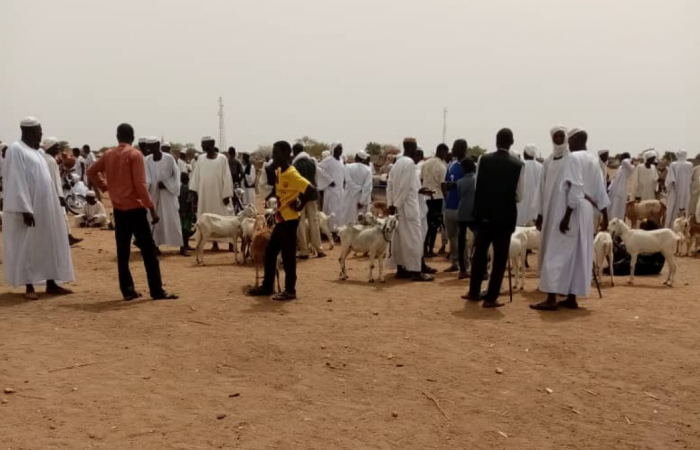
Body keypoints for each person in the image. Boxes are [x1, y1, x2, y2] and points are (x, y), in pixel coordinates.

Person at [87, 123, 177, 301]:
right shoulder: (135, 155)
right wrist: (152, 209)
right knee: (149, 252)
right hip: (135, 210)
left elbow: (91, 171)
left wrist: (105, 186)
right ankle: (156, 290)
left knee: (123, 253)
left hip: (119, 211)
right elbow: (140, 186)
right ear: (133, 137)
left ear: (117, 136)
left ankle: (127, 291)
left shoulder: (108, 154)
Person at [531, 128, 609, 311]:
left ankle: (551, 298)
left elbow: (575, 188)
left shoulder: (573, 158)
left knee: (556, 252)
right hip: (587, 212)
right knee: (576, 254)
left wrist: (566, 216)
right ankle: (572, 297)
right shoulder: (592, 159)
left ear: (572, 140)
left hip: (572, 209)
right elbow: (600, 190)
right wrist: (605, 215)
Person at [2, 117, 74, 299]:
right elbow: (15, 180)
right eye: (38, 132)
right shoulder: (16, 149)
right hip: (29, 210)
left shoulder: (38, 153)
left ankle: (51, 283)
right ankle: (29, 287)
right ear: (28, 131)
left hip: (46, 209)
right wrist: (25, 208)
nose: (40, 135)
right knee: (28, 246)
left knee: (48, 245)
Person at [247, 141, 317, 301]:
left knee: (288, 257)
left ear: (286, 154)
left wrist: (299, 205)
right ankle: (267, 287)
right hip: (281, 219)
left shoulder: (292, 174)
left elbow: (312, 192)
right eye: (273, 153)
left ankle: (290, 290)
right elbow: (277, 191)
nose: (274, 156)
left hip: (290, 221)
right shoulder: (279, 171)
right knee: (271, 252)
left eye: (276, 153)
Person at [463, 128, 523, 308]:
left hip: (485, 215)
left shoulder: (483, 159)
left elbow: (478, 186)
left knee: (480, 254)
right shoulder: (518, 165)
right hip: (505, 218)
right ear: (511, 142)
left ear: (496, 141)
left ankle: (474, 291)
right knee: (499, 257)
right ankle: (491, 297)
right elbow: (519, 195)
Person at [386, 138, 434, 282]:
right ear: (412, 148)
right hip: (408, 208)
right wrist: (397, 204)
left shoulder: (397, 163)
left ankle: (401, 269)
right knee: (414, 240)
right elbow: (404, 188)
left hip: (399, 208)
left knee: (400, 240)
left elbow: (391, 185)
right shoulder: (409, 163)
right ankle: (415, 271)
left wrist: (391, 204)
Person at [189, 136, 234, 251]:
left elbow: (227, 177)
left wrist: (226, 194)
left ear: (212, 144)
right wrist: (194, 195)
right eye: (202, 144)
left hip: (219, 195)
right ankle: (214, 244)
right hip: (205, 196)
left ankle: (230, 244)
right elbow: (195, 178)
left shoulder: (222, 159)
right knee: (207, 220)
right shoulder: (200, 159)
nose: (202, 146)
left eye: (204, 144)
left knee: (225, 218)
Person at [145, 138, 183, 251]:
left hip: (168, 194)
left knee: (173, 218)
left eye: (152, 146)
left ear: (157, 146)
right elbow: (146, 177)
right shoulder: (147, 160)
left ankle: (181, 246)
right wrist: (148, 188)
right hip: (153, 194)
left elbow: (176, 176)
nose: (150, 149)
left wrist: (166, 184)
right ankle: (155, 246)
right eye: (149, 147)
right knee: (153, 219)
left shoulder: (169, 158)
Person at [292, 143, 326, 259]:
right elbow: (316, 180)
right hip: (312, 195)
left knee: (300, 223)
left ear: (294, 152)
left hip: (300, 197)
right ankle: (319, 249)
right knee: (314, 222)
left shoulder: (295, 165)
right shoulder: (312, 162)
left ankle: (304, 251)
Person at [442, 139, 468, 272]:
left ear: (463, 149)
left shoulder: (469, 165)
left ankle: (465, 264)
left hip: (461, 207)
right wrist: (446, 195)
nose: (453, 150)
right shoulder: (451, 165)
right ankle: (455, 263)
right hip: (450, 206)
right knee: (452, 237)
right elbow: (445, 183)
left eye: (455, 147)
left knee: (463, 237)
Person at [421, 143, 448, 256]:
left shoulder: (425, 164)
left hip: (425, 197)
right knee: (434, 225)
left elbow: (421, 180)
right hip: (437, 197)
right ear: (441, 151)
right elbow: (443, 184)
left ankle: (424, 249)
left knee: (425, 224)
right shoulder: (442, 166)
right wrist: (446, 198)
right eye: (446, 153)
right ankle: (430, 249)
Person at [455, 157, 477, 279]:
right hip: (474, 214)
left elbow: (459, 194)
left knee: (461, 241)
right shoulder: (477, 180)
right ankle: (479, 267)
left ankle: (462, 269)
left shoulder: (460, 182)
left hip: (462, 213)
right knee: (479, 240)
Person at [317, 142, 345, 234]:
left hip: (340, 190)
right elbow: (318, 168)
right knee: (331, 211)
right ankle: (329, 231)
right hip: (331, 191)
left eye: (341, 149)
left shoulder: (341, 160)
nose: (340, 151)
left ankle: (337, 230)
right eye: (339, 149)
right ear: (334, 150)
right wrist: (329, 180)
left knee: (339, 211)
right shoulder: (329, 160)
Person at [341, 151, 373, 226]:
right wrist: (362, 201)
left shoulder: (348, 167)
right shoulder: (368, 170)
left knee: (347, 217)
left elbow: (348, 181)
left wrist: (356, 188)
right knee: (360, 221)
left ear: (356, 157)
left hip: (349, 196)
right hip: (362, 196)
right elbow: (368, 187)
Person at [664, 149, 694, 228]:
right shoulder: (690, 164)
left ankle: (672, 227)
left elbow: (670, 180)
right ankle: (683, 227)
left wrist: (668, 190)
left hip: (676, 191)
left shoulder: (673, 164)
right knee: (685, 208)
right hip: (686, 191)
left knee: (674, 209)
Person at [517, 144, 543, 226]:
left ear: (524, 154)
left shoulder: (519, 165)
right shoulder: (541, 167)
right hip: (535, 205)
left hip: (520, 203)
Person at [607, 153, 634, 220]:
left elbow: (625, 162)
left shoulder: (630, 168)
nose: (620, 160)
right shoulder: (620, 167)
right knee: (611, 209)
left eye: (621, 158)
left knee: (618, 211)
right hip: (614, 191)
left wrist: (627, 159)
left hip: (621, 191)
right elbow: (615, 178)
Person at [178, 172, 196, 256]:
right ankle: (183, 247)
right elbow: (187, 201)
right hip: (186, 213)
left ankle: (185, 245)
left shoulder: (181, 188)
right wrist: (185, 212)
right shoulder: (187, 189)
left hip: (184, 212)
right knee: (185, 230)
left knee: (185, 229)